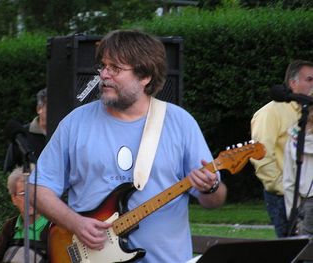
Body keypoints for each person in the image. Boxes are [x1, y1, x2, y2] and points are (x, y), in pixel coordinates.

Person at [29, 29, 227, 263]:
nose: (104, 75)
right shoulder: (75, 123)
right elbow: (38, 188)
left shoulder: (180, 122)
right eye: (103, 66)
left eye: (116, 68)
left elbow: (214, 200)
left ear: (145, 76)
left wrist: (210, 188)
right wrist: (76, 223)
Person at [250, 60, 313, 237]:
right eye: (309, 79)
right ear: (293, 83)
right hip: (283, 196)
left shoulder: (309, 111)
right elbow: (261, 156)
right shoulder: (270, 112)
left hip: (308, 195)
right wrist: (284, 189)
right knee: (293, 252)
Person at [0, 167, 50, 263]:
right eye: (23, 194)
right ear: (14, 198)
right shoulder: (10, 226)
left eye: (34, 192)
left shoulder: (55, 228)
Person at [283, 91, 313, 236]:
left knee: (306, 253)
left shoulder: (294, 137)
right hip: (307, 205)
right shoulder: (295, 137)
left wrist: (292, 215)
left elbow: (289, 181)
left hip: (305, 204)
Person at [3, 88, 47, 173]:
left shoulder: (63, 134)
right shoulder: (21, 135)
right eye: (50, 107)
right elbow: (9, 170)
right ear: (39, 109)